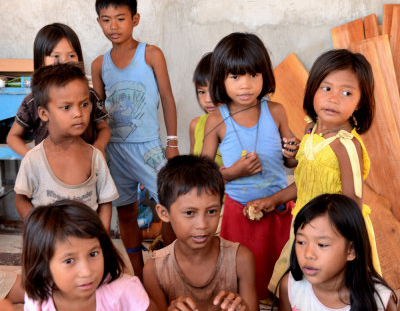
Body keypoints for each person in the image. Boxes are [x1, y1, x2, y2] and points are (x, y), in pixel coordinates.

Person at [264, 49, 381, 293]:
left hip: (334, 232)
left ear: (360, 102)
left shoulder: (346, 145)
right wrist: (272, 199)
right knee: (296, 289)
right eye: (326, 88)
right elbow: (305, 182)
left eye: (347, 92)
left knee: (334, 293)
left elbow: (353, 203)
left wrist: (332, 239)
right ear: (313, 89)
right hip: (305, 226)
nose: (334, 98)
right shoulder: (310, 130)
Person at [201, 32, 299, 301]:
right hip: (238, 212)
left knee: (282, 274)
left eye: (253, 75)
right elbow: (203, 177)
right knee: (242, 280)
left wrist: (293, 151)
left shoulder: (276, 111)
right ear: (221, 78)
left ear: (265, 75)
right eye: (235, 77)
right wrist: (235, 172)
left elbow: (290, 162)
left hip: (278, 210)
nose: (246, 85)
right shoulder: (216, 120)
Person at [92, 0, 179, 281]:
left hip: (149, 148)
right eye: (106, 20)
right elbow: (98, 113)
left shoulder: (151, 54)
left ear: (135, 19)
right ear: (99, 22)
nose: (113, 26)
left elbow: (167, 98)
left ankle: (165, 267)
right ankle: (140, 275)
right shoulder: (98, 64)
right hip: (115, 151)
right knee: (125, 213)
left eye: (120, 18)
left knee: (169, 207)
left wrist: (172, 143)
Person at [143, 155, 258, 311]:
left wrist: (244, 308)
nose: (202, 225)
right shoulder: (155, 270)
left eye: (211, 211)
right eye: (190, 213)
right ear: (164, 213)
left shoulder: (240, 260)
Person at [14, 63, 118, 231]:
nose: (78, 113)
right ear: (43, 113)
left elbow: (105, 201)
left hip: (86, 244)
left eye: (84, 104)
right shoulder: (34, 159)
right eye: (67, 107)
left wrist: (103, 236)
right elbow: (21, 199)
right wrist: (39, 231)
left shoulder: (94, 156)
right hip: (49, 247)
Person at [22, 200, 155, 311]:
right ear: (43, 264)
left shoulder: (125, 291)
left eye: (93, 254)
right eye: (69, 260)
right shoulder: (39, 301)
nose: (86, 272)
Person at [6, 23, 110, 157]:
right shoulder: (33, 100)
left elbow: (104, 128)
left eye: (71, 56)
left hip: (85, 167)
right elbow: (13, 136)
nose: (64, 62)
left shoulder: (89, 95)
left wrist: (98, 148)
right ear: (41, 61)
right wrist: (32, 158)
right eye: (56, 57)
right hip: (47, 173)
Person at [279, 194, 397, 311]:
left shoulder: (379, 300)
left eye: (322, 244)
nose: (308, 254)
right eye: (301, 242)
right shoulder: (290, 287)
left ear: (351, 250)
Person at [189, 52, 223, 167]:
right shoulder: (196, 125)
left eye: (215, 91)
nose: (208, 99)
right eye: (201, 92)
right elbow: (193, 170)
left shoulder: (241, 125)